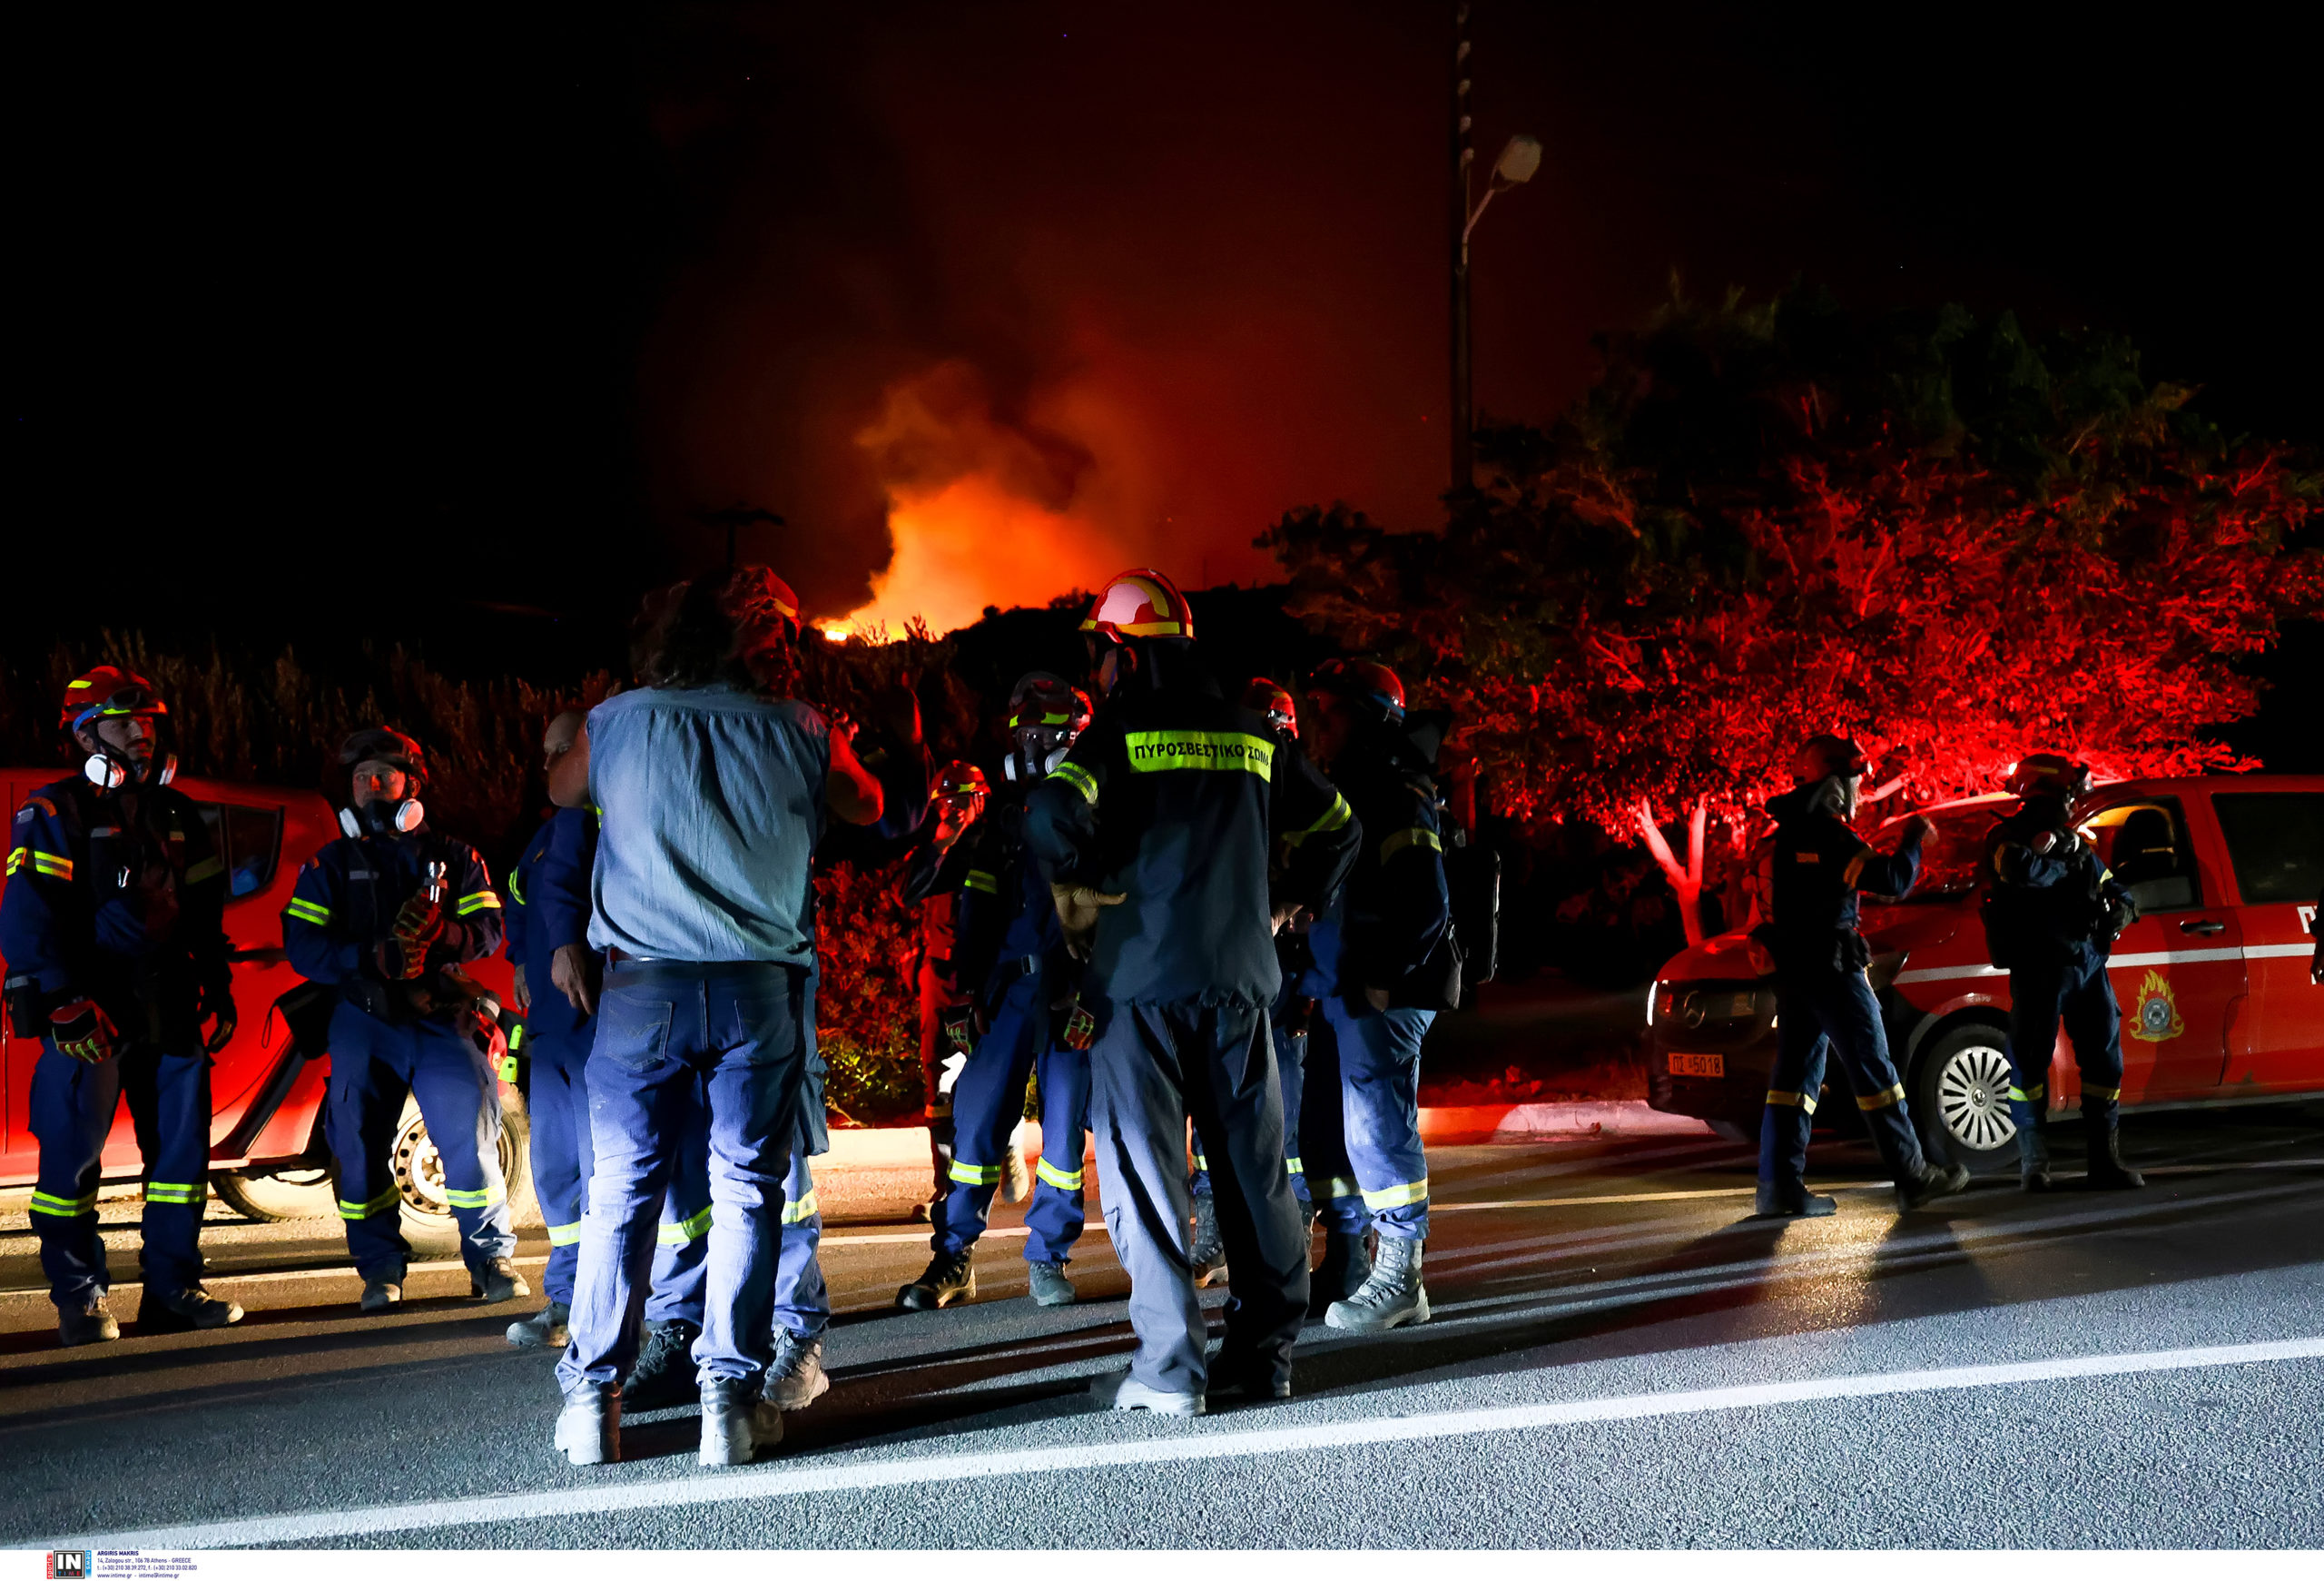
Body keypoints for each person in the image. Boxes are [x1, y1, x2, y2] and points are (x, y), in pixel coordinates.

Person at [548, 565, 882, 1469]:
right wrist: (829, 745)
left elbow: (560, 789)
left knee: (621, 1195)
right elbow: (868, 803)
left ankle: (592, 1400)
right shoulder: (801, 727)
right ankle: (728, 1400)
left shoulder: (619, 719)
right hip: (755, 992)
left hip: (641, 991)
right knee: (746, 1192)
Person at [1027, 569, 1359, 1415]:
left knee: (1149, 1176)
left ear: (1124, 655)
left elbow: (1052, 815)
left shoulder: (1122, 729)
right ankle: (1266, 1356)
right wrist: (1289, 901)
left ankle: (1172, 1369)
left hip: (1139, 988)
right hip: (1242, 982)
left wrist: (1076, 895)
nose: (1100, 672)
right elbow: (1339, 827)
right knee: (1255, 1174)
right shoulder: (1254, 733)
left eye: (1103, 656)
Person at [2, 667, 243, 1346]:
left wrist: (217, 982)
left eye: (147, 724)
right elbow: (28, 915)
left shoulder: (177, 814)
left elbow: (203, 909)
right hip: (90, 1008)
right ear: (86, 735)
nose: (141, 735)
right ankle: (80, 1297)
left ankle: (172, 1288)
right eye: (124, 724)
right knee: (71, 1164)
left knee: (179, 1158)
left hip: (167, 1004)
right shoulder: (53, 811)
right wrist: (62, 998)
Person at [282, 726, 525, 1311]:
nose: (370, 789)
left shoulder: (458, 857)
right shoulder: (331, 863)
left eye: (383, 777)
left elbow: (489, 931)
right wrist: (367, 957)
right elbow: (302, 945)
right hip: (364, 1019)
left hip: (441, 1019)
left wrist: (444, 935)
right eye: (360, 779)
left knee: (471, 1141)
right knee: (360, 1146)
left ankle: (490, 1261)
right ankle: (379, 1270)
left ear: (412, 784)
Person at [899, 676, 1096, 1312]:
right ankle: (952, 1257)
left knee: (1062, 1138)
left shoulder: (1092, 815)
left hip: (1070, 994)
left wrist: (1095, 990)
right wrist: (963, 1001)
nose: (1023, 743)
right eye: (1020, 732)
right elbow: (972, 911)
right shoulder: (1004, 826)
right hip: (1008, 995)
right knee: (976, 1126)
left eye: (1034, 732)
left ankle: (1049, 1256)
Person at [1295, 658, 1453, 1331]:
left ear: (1365, 716)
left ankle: (1401, 1277)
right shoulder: (1350, 784)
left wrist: (1384, 973)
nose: (1313, 723)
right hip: (1344, 986)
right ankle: (1350, 1262)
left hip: (1382, 987)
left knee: (1377, 1130)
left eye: (1327, 710)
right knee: (1331, 1131)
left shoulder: (1393, 785)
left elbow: (1427, 897)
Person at [1751, 734, 1969, 1217]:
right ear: (1835, 778)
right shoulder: (1830, 834)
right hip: (1833, 967)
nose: (1859, 789)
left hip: (1795, 970)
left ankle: (1779, 1189)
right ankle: (1913, 1176)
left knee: (1793, 1078)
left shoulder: (1790, 833)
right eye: (1856, 778)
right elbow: (1891, 882)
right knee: (1874, 1070)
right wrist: (1914, 840)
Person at [1187, 679, 1318, 1287]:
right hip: (1236, 974)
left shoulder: (1303, 799)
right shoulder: (1230, 795)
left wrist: (1312, 981)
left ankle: (1291, 1237)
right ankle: (1218, 1231)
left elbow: (1325, 886)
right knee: (1220, 1109)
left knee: (1281, 1119)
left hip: (1288, 980)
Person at [1982, 754, 2144, 1191]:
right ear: (2051, 792)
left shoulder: (2075, 844)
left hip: (2088, 965)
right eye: (2071, 795)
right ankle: (2034, 1164)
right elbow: (2022, 872)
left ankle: (2104, 1161)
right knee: (2030, 1065)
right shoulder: (2005, 838)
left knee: (2104, 1062)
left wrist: (2124, 910)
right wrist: (2065, 855)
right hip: (2039, 968)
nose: (2075, 804)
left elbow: (2112, 884)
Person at [503, 711, 598, 1349]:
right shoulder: (543, 836)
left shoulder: (604, 821)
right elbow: (516, 896)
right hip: (552, 1034)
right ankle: (565, 1300)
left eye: (566, 748)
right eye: (548, 752)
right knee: (558, 1171)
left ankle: (615, 1305)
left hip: (598, 1026)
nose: (553, 762)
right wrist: (517, 959)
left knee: (604, 1172)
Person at [901, 761, 1000, 1218]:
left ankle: (1003, 1148)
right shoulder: (935, 847)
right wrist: (942, 841)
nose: (959, 809)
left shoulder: (1003, 843)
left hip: (991, 975)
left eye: (967, 800)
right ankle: (947, 1187)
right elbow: (906, 892)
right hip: (941, 977)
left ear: (983, 799)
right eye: (950, 801)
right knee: (939, 1083)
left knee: (996, 1073)